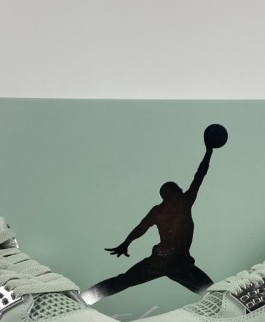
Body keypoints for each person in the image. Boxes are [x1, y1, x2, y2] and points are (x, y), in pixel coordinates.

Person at [81, 125, 226, 304]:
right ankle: (83, 299)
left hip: (163, 261)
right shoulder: (182, 203)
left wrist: (126, 243)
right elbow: (199, 176)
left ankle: (84, 299)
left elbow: (141, 228)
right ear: (172, 193)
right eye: (178, 189)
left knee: (124, 280)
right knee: (212, 293)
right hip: (174, 261)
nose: (182, 190)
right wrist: (209, 152)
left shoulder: (160, 209)